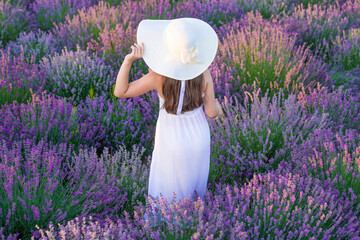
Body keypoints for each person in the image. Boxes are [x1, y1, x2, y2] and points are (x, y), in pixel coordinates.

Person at [113, 17, 223, 227]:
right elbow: (211, 111)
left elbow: (121, 91)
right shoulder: (204, 73)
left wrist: (128, 61)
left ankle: (165, 228)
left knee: (168, 183)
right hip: (198, 136)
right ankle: (190, 226)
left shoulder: (158, 77)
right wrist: (220, 110)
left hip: (171, 138)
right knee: (193, 184)